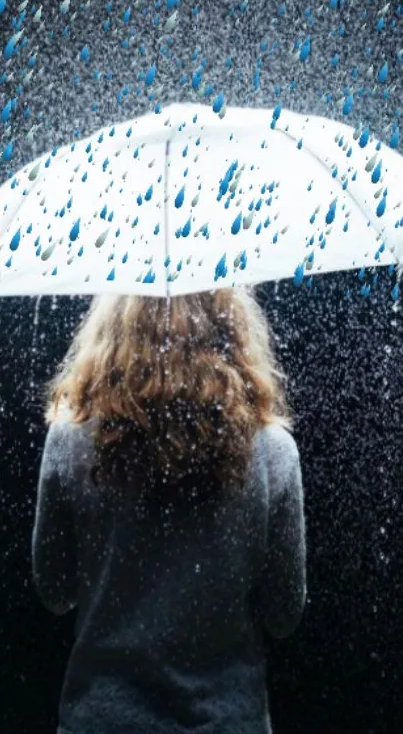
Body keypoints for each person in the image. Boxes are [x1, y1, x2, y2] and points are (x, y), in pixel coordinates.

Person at [32, 286, 307, 734]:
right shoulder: (272, 452)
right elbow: (283, 614)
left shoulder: (70, 442)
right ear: (231, 327)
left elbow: (55, 592)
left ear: (113, 326)